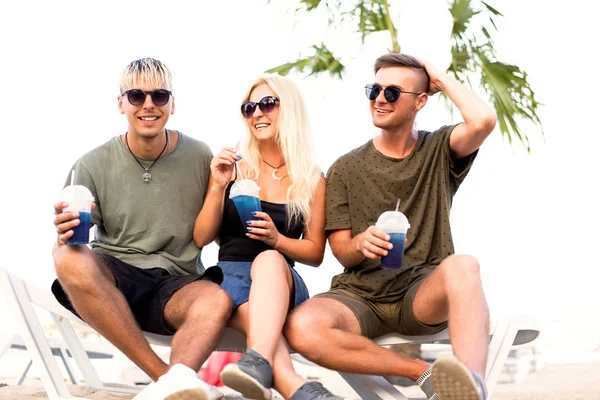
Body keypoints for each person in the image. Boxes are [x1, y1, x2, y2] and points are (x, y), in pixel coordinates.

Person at [284, 53, 497, 400]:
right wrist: (360, 244)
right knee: (301, 326)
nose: (380, 99)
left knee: (464, 265)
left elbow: (484, 120)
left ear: (421, 101)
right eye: (374, 90)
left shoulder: (438, 148)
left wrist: (437, 77)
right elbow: (340, 250)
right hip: (360, 297)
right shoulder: (345, 168)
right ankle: (423, 374)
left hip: (420, 294)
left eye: (394, 92)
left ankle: (471, 389)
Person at [52, 57, 231, 400]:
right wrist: (63, 233)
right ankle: (166, 379)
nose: (148, 105)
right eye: (136, 96)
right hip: (117, 275)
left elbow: (207, 235)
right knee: (67, 258)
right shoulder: (91, 164)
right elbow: (68, 244)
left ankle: (171, 384)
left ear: (172, 104)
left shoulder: (199, 155)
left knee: (217, 299)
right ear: (121, 103)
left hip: (178, 281)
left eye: (159, 96)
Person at [193, 75, 342, 400]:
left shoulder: (313, 180)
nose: (257, 113)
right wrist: (218, 186)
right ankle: (300, 388)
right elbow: (202, 237)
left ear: (290, 110)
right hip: (229, 278)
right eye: (249, 107)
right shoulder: (233, 167)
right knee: (244, 305)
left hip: (280, 282)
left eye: (267, 104)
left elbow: (315, 252)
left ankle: (263, 367)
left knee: (270, 259)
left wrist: (277, 239)